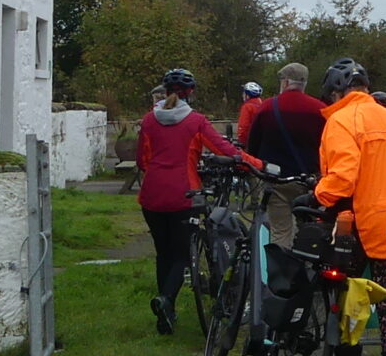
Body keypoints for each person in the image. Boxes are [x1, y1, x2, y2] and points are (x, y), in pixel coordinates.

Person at [310, 56, 386, 356]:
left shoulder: (342, 120)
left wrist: (317, 196)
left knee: (343, 296)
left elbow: (343, 176)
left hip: (352, 224)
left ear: (334, 92)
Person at [136, 68, 264, 336]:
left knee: (164, 253)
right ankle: (166, 300)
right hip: (184, 194)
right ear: (190, 93)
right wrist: (259, 165)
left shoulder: (149, 120)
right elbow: (226, 150)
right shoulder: (196, 121)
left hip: (151, 194)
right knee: (182, 253)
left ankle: (166, 314)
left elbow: (143, 161)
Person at [247, 62, 329, 178]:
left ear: (285, 83)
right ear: (304, 84)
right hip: (309, 179)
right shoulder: (321, 109)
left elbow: (254, 143)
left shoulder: (267, 107)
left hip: (273, 178)